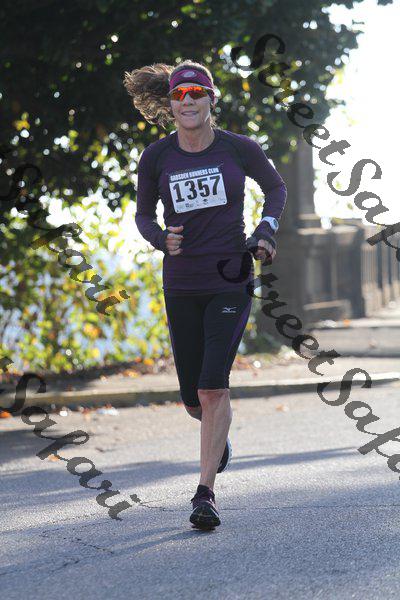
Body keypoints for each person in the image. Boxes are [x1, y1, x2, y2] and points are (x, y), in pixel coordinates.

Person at [124, 59, 287, 530]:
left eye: (197, 93)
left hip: (230, 277)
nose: (188, 101)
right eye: (180, 95)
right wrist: (161, 239)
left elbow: (275, 188)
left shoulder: (239, 148)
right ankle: (217, 437)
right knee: (193, 398)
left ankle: (205, 494)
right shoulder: (156, 157)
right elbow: (143, 216)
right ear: (171, 104)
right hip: (182, 282)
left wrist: (265, 231)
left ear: (211, 99)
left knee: (213, 385)